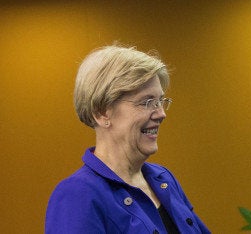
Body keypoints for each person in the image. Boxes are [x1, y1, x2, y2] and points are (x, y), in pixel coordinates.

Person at [45, 45, 211, 234]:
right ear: (101, 113)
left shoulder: (164, 179)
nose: (161, 113)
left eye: (160, 101)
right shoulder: (77, 195)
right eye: (147, 102)